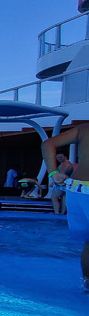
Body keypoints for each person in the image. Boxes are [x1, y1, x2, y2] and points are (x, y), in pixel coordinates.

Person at [42, 124, 89, 290]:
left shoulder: (84, 129)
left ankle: (87, 286)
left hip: (78, 189)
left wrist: (53, 173)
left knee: (88, 244)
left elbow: (47, 144)